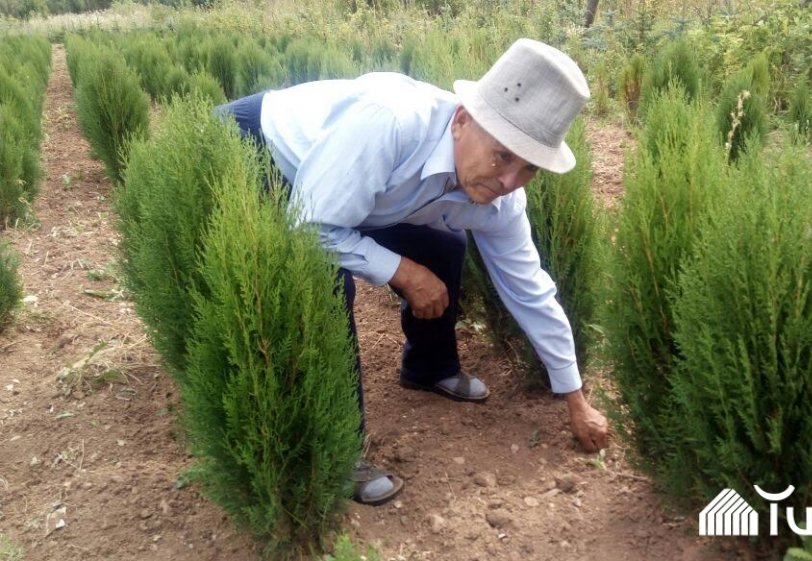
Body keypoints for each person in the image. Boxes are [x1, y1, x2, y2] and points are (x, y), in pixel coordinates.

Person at [216, 38, 609, 506]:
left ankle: (429, 368)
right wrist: (401, 271)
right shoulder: (391, 124)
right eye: (503, 155)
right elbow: (311, 226)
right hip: (256, 151)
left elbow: (530, 289)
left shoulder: (501, 199)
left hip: (355, 191)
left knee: (443, 245)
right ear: (461, 121)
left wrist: (574, 397)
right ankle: (336, 450)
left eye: (529, 169)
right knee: (321, 280)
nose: (509, 181)